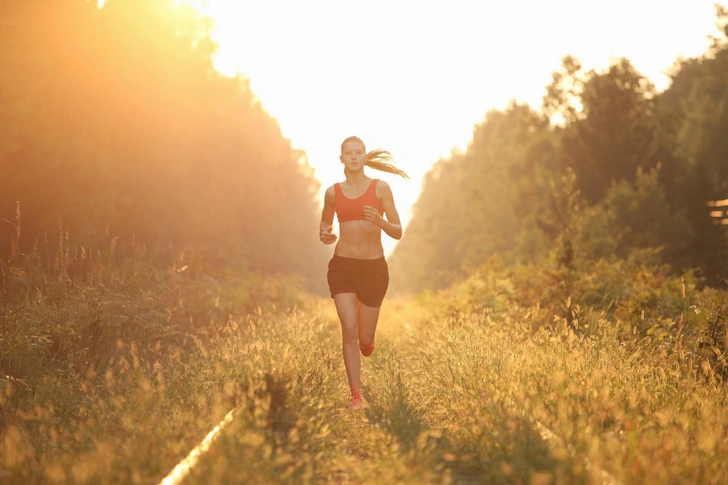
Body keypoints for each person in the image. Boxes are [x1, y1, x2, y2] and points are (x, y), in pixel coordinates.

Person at [319, 135, 409, 409]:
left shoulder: (380, 189)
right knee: (349, 327)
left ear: (364, 156)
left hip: (373, 268)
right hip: (343, 266)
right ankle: (355, 395)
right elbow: (324, 225)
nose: (355, 156)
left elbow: (398, 230)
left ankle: (367, 344)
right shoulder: (333, 192)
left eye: (359, 152)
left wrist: (379, 220)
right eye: (350, 153)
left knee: (364, 338)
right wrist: (325, 234)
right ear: (342, 158)